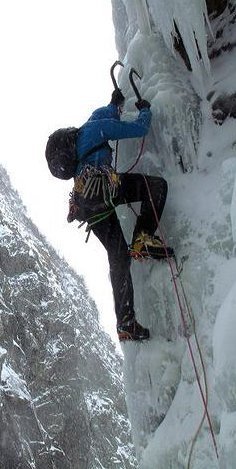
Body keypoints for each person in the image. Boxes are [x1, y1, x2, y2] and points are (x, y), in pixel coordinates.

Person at [68, 87, 173, 341]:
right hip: (102, 191)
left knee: (118, 257)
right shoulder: (100, 128)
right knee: (155, 186)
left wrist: (115, 104)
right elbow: (138, 129)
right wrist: (145, 110)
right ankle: (143, 238)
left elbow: (111, 113)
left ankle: (126, 323)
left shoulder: (85, 134)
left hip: (87, 205)